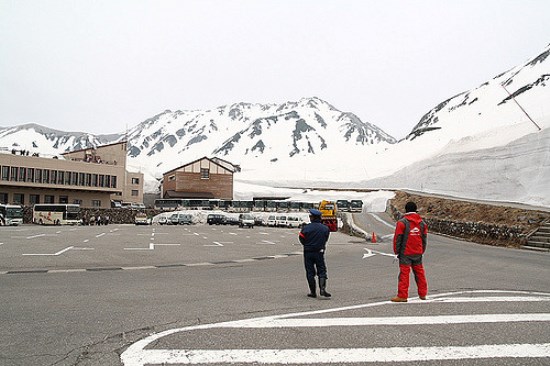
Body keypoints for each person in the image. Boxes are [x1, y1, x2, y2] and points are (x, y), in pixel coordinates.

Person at [392, 201, 428, 302]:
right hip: (418, 252)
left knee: (404, 274)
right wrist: (421, 250)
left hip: (405, 253)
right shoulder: (422, 223)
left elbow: (398, 238)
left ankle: (402, 295)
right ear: (415, 210)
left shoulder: (402, 222)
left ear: (406, 210)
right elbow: (424, 239)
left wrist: (397, 252)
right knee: (420, 273)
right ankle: (423, 294)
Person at [299, 208, 331, 298]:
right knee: (322, 270)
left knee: (310, 272)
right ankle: (322, 289)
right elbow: (326, 238)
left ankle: (313, 292)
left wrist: (306, 244)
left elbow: (301, 238)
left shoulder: (306, 228)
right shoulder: (325, 228)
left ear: (312, 218)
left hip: (308, 252)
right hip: (319, 252)